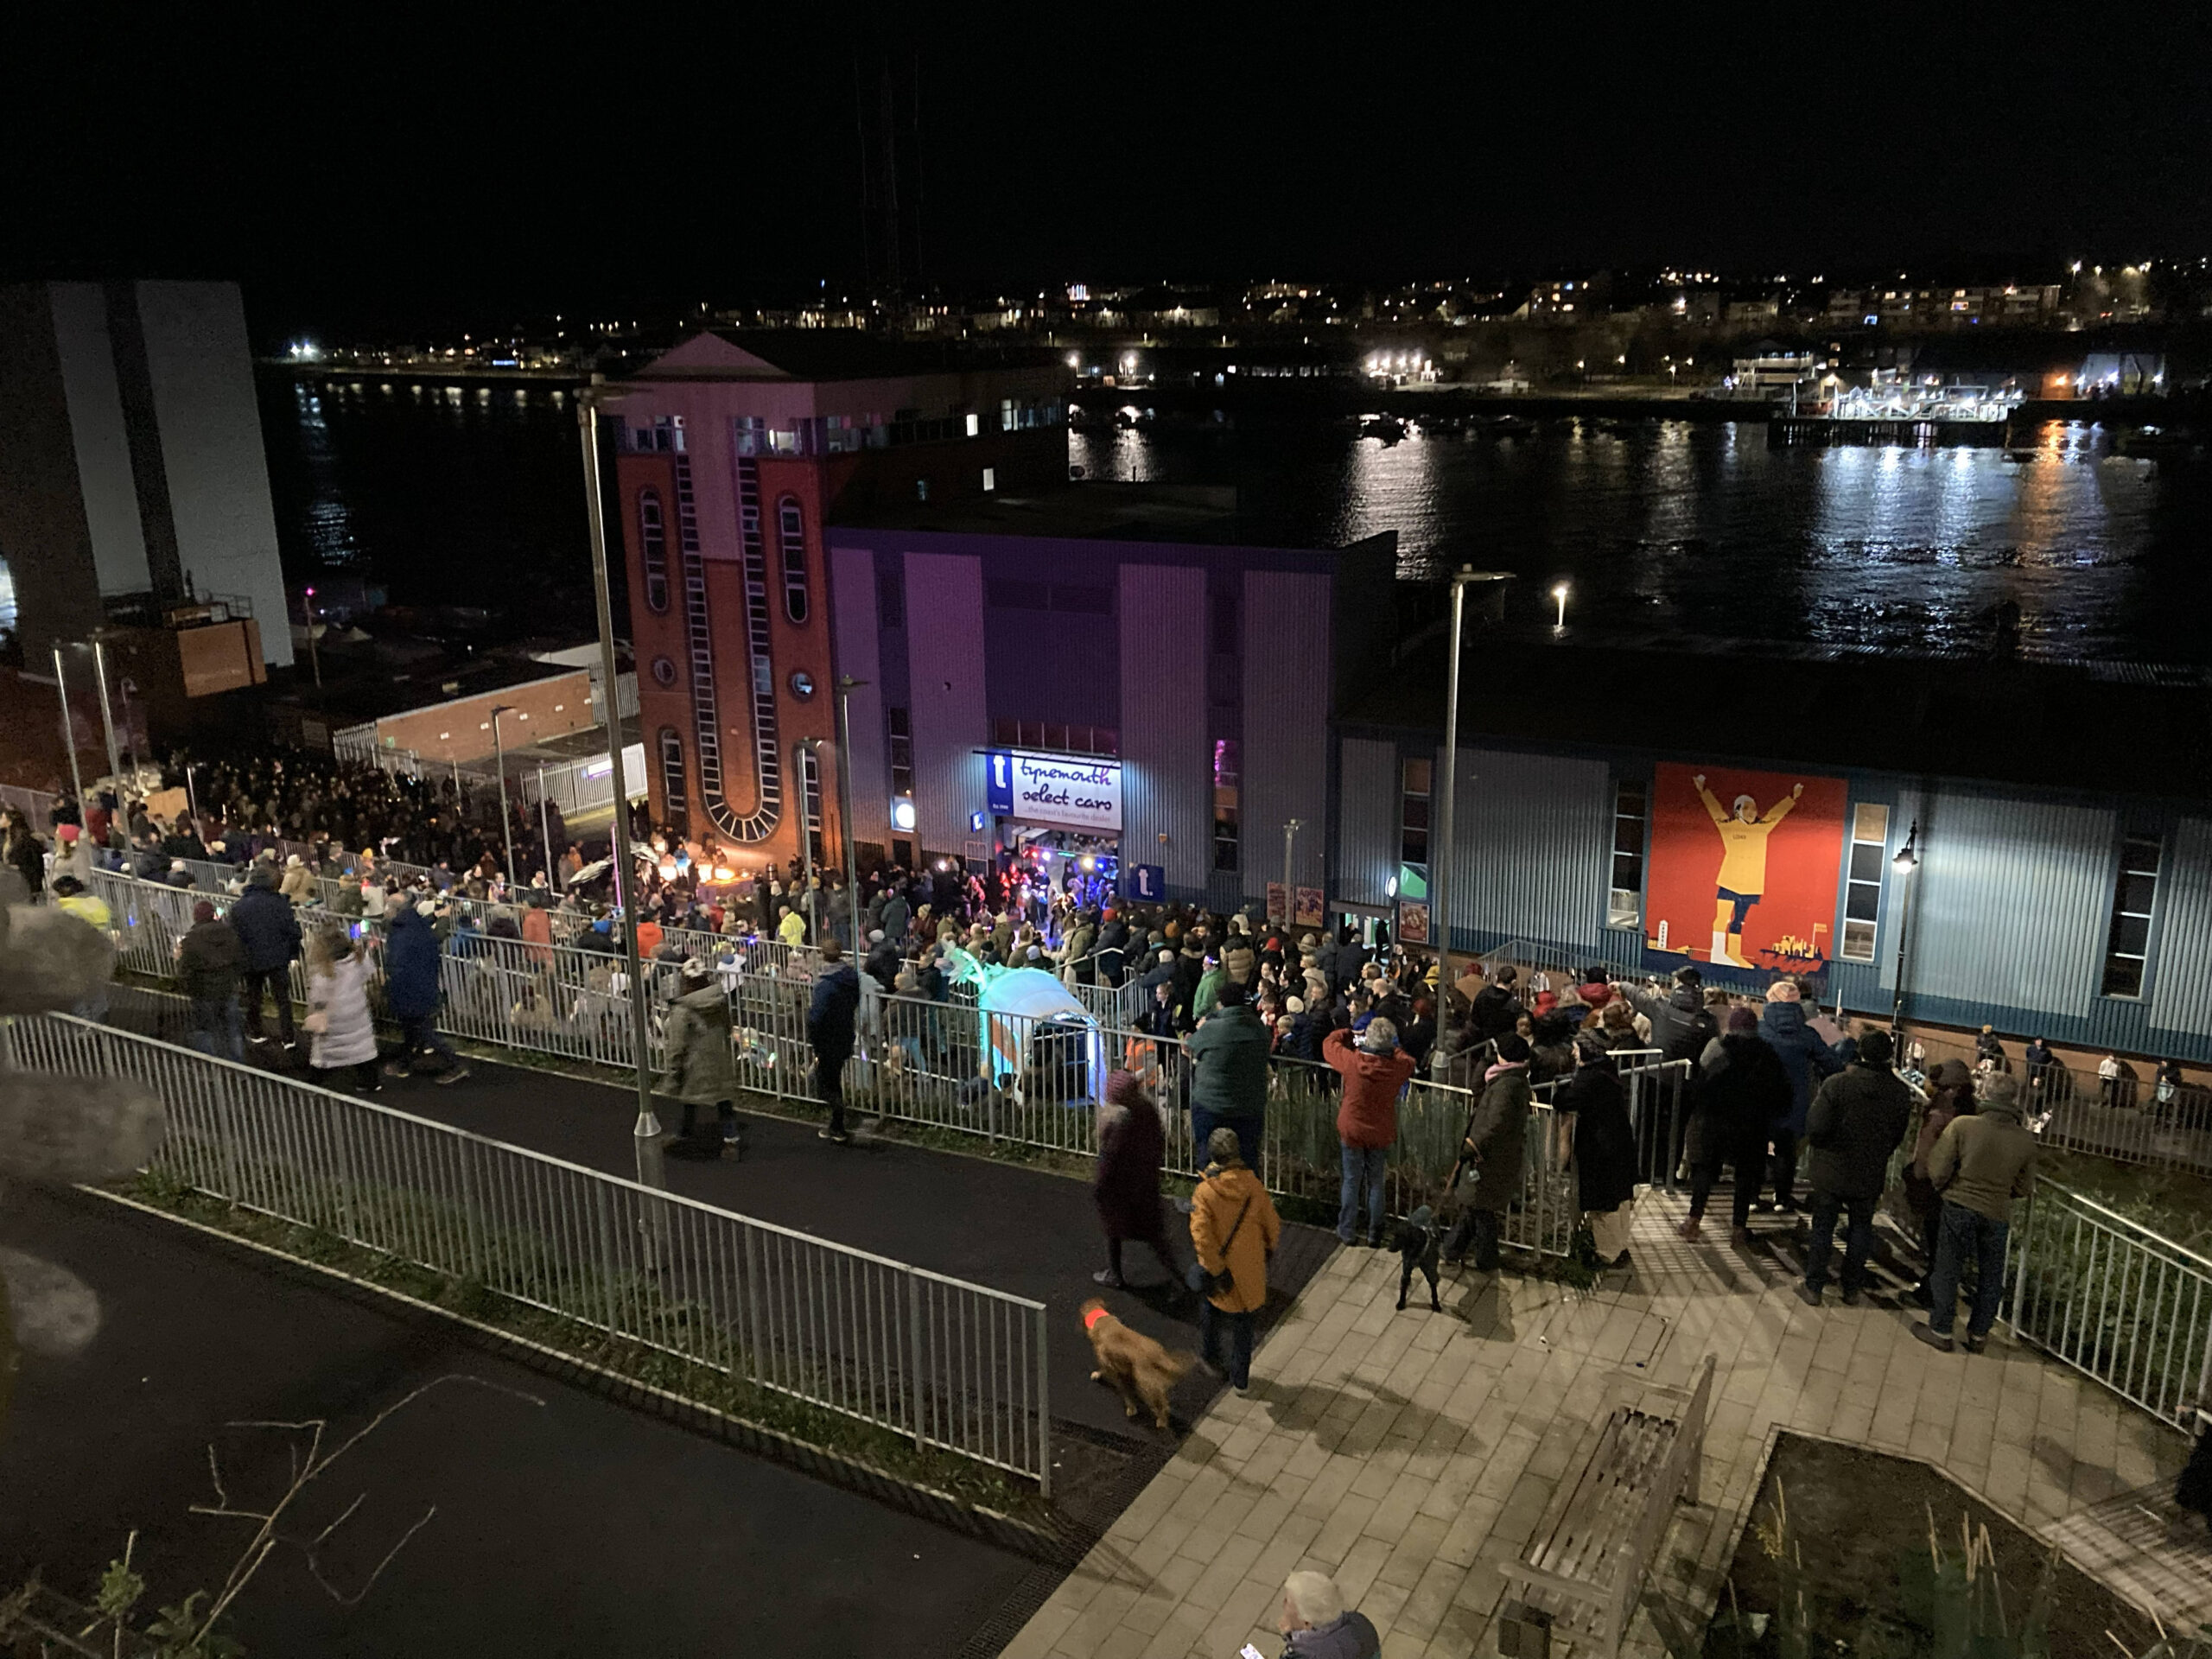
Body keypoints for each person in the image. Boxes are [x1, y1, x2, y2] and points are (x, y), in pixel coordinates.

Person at [1915, 1072, 2038, 1354]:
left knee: (1948, 1269)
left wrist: (1946, 1188)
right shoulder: (2025, 1141)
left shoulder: (1963, 1126)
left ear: (1986, 1094)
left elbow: (1938, 1167)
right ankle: (1979, 1335)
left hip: (1960, 1204)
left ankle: (1941, 1329)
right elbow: (2024, 1186)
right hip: (1997, 1211)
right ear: (2014, 1100)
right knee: (1991, 1275)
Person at [1797, 1029, 1914, 1306]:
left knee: (1823, 1226)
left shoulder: (1837, 1084)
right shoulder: (1899, 1093)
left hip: (1831, 1167)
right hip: (1869, 1169)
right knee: (1861, 1228)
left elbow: (1815, 1127)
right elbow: (1898, 1134)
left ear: (1860, 1051)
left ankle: (1814, 1286)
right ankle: (1852, 1288)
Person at [1681, 1007, 1793, 1243]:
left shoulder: (1716, 1047)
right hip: (1751, 1125)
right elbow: (1781, 1092)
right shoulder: (1767, 1053)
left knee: (1704, 1171)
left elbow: (1701, 1080)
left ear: (1732, 1026)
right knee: (1746, 1175)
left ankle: (1693, 1220)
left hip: (1713, 1120)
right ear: (1754, 1028)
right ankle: (1738, 1229)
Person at [1188, 1125, 1281, 1393]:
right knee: (1244, 1326)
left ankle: (1210, 1355)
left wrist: (1215, 1268)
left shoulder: (1205, 1193)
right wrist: (1269, 1248)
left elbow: (1201, 1235)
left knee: (1211, 1309)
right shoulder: (1253, 1187)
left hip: (1221, 1273)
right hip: (1249, 1270)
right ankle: (1241, 1380)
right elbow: (1272, 1224)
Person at [1442, 1032, 1534, 1270]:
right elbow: (1478, 1090)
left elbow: (1495, 1123)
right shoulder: (1507, 1078)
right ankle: (1456, 1250)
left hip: (1488, 1159)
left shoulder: (1508, 1085)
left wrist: (1473, 1146)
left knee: (1479, 1209)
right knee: (1476, 1208)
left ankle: (1475, 1256)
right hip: (1491, 1157)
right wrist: (1485, 1062)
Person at [1692, 772, 1803, 968]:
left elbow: (1776, 814)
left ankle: (1733, 953)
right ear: (1737, 811)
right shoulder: (1729, 826)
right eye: (1746, 808)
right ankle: (1717, 953)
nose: (1751, 811)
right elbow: (1715, 810)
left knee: (1739, 921)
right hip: (1729, 881)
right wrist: (1703, 790)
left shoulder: (1762, 828)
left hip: (1751, 885)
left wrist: (1792, 798)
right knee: (1722, 918)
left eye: (1754, 808)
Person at [1325, 1017, 1418, 1248]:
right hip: (1380, 1129)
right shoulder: (1396, 1067)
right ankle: (1375, 1233)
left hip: (1353, 1128)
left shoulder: (1353, 1062)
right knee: (1376, 1182)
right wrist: (1391, 1049)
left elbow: (1329, 1045)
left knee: (1351, 1180)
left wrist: (1347, 1033)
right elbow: (1408, 1060)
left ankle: (1347, 1230)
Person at [1756, 980, 1841, 1214]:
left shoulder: (1759, 1029)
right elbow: (1833, 1064)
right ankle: (1782, 1199)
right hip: (1794, 1102)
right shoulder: (1808, 1034)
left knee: (1756, 1146)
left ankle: (1752, 1197)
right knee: (1786, 1151)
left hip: (1760, 1099)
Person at [1092, 1070, 1179, 1288]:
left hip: (1121, 1191)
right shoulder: (1147, 1112)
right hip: (1145, 1186)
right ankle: (1179, 1280)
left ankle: (1115, 1274)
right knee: (1155, 1237)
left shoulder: (1119, 1122)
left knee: (1113, 1231)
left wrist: (1100, 1188)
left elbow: (1109, 1161)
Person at [1901, 1059, 1974, 1295]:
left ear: (1951, 1089)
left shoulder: (1940, 1116)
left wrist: (1917, 1176)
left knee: (1936, 1241)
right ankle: (1937, 1289)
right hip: (1960, 1189)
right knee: (1945, 1245)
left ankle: (1931, 1293)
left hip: (1937, 1187)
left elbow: (1926, 1154)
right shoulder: (1972, 1114)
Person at [1566, 1041, 1639, 1268]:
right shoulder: (1607, 1069)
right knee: (1620, 1201)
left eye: (1577, 1048)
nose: (1573, 1053)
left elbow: (1567, 1100)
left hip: (1600, 1148)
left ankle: (1607, 1253)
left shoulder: (1589, 1077)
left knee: (1603, 1204)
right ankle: (1619, 1246)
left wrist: (1559, 1094)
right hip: (1619, 1142)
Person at [1185, 980, 1270, 1173]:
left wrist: (1202, 1027)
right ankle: (1247, 1198)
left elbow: (1191, 1046)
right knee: (1248, 1159)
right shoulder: (1258, 1028)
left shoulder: (1213, 1028)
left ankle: (1210, 1197)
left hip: (1211, 1103)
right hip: (1249, 1105)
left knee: (1208, 1158)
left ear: (1220, 1002)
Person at [381, 896, 467, 1083]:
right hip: (422, 985)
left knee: (423, 1030)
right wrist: (438, 917)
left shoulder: (401, 934)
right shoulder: (415, 926)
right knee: (412, 1030)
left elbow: (394, 963)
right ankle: (404, 1062)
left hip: (410, 988)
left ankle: (455, 1063)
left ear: (395, 910)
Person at [663, 958, 742, 1156]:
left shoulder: (682, 1009)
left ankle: (685, 1133)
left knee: (689, 1099)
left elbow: (677, 1044)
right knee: (724, 1100)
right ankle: (731, 1141)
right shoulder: (720, 1000)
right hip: (719, 1056)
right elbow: (727, 1025)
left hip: (694, 1062)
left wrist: (674, 1069)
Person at [230, 864, 303, 1048]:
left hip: (251, 958)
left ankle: (255, 1031)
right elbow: (292, 931)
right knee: (282, 999)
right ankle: (288, 1037)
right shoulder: (279, 904)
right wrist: (293, 952)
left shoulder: (239, 907)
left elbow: (234, 934)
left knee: (254, 995)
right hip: (278, 958)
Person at [304, 925, 380, 1092]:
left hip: (334, 1018)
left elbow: (318, 997)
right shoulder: (358, 960)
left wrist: (315, 1013)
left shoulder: (322, 972)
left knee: (323, 1052)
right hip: (357, 1013)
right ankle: (371, 1081)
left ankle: (313, 1082)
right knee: (362, 1047)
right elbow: (369, 974)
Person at [808, 936, 861, 1142]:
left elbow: (816, 1016)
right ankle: (836, 1123)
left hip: (827, 1038)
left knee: (822, 1083)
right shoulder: (850, 977)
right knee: (833, 1078)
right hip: (845, 1032)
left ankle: (838, 1117)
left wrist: (813, 1035)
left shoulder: (825, 985)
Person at [176, 899, 245, 1061]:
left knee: (207, 1028)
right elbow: (239, 958)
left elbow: (185, 968)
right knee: (233, 1028)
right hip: (228, 987)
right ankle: (238, 1062)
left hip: (203, 990)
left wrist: (185, 983)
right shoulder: (229, 933)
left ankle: (213, 1063)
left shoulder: (191, 939)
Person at [1279, 1570, 1382, 1658]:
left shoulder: (1305, 1655)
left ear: (1307, 1623)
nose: (1283, 1604)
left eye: (1287, 1602)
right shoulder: (1360, 1623)